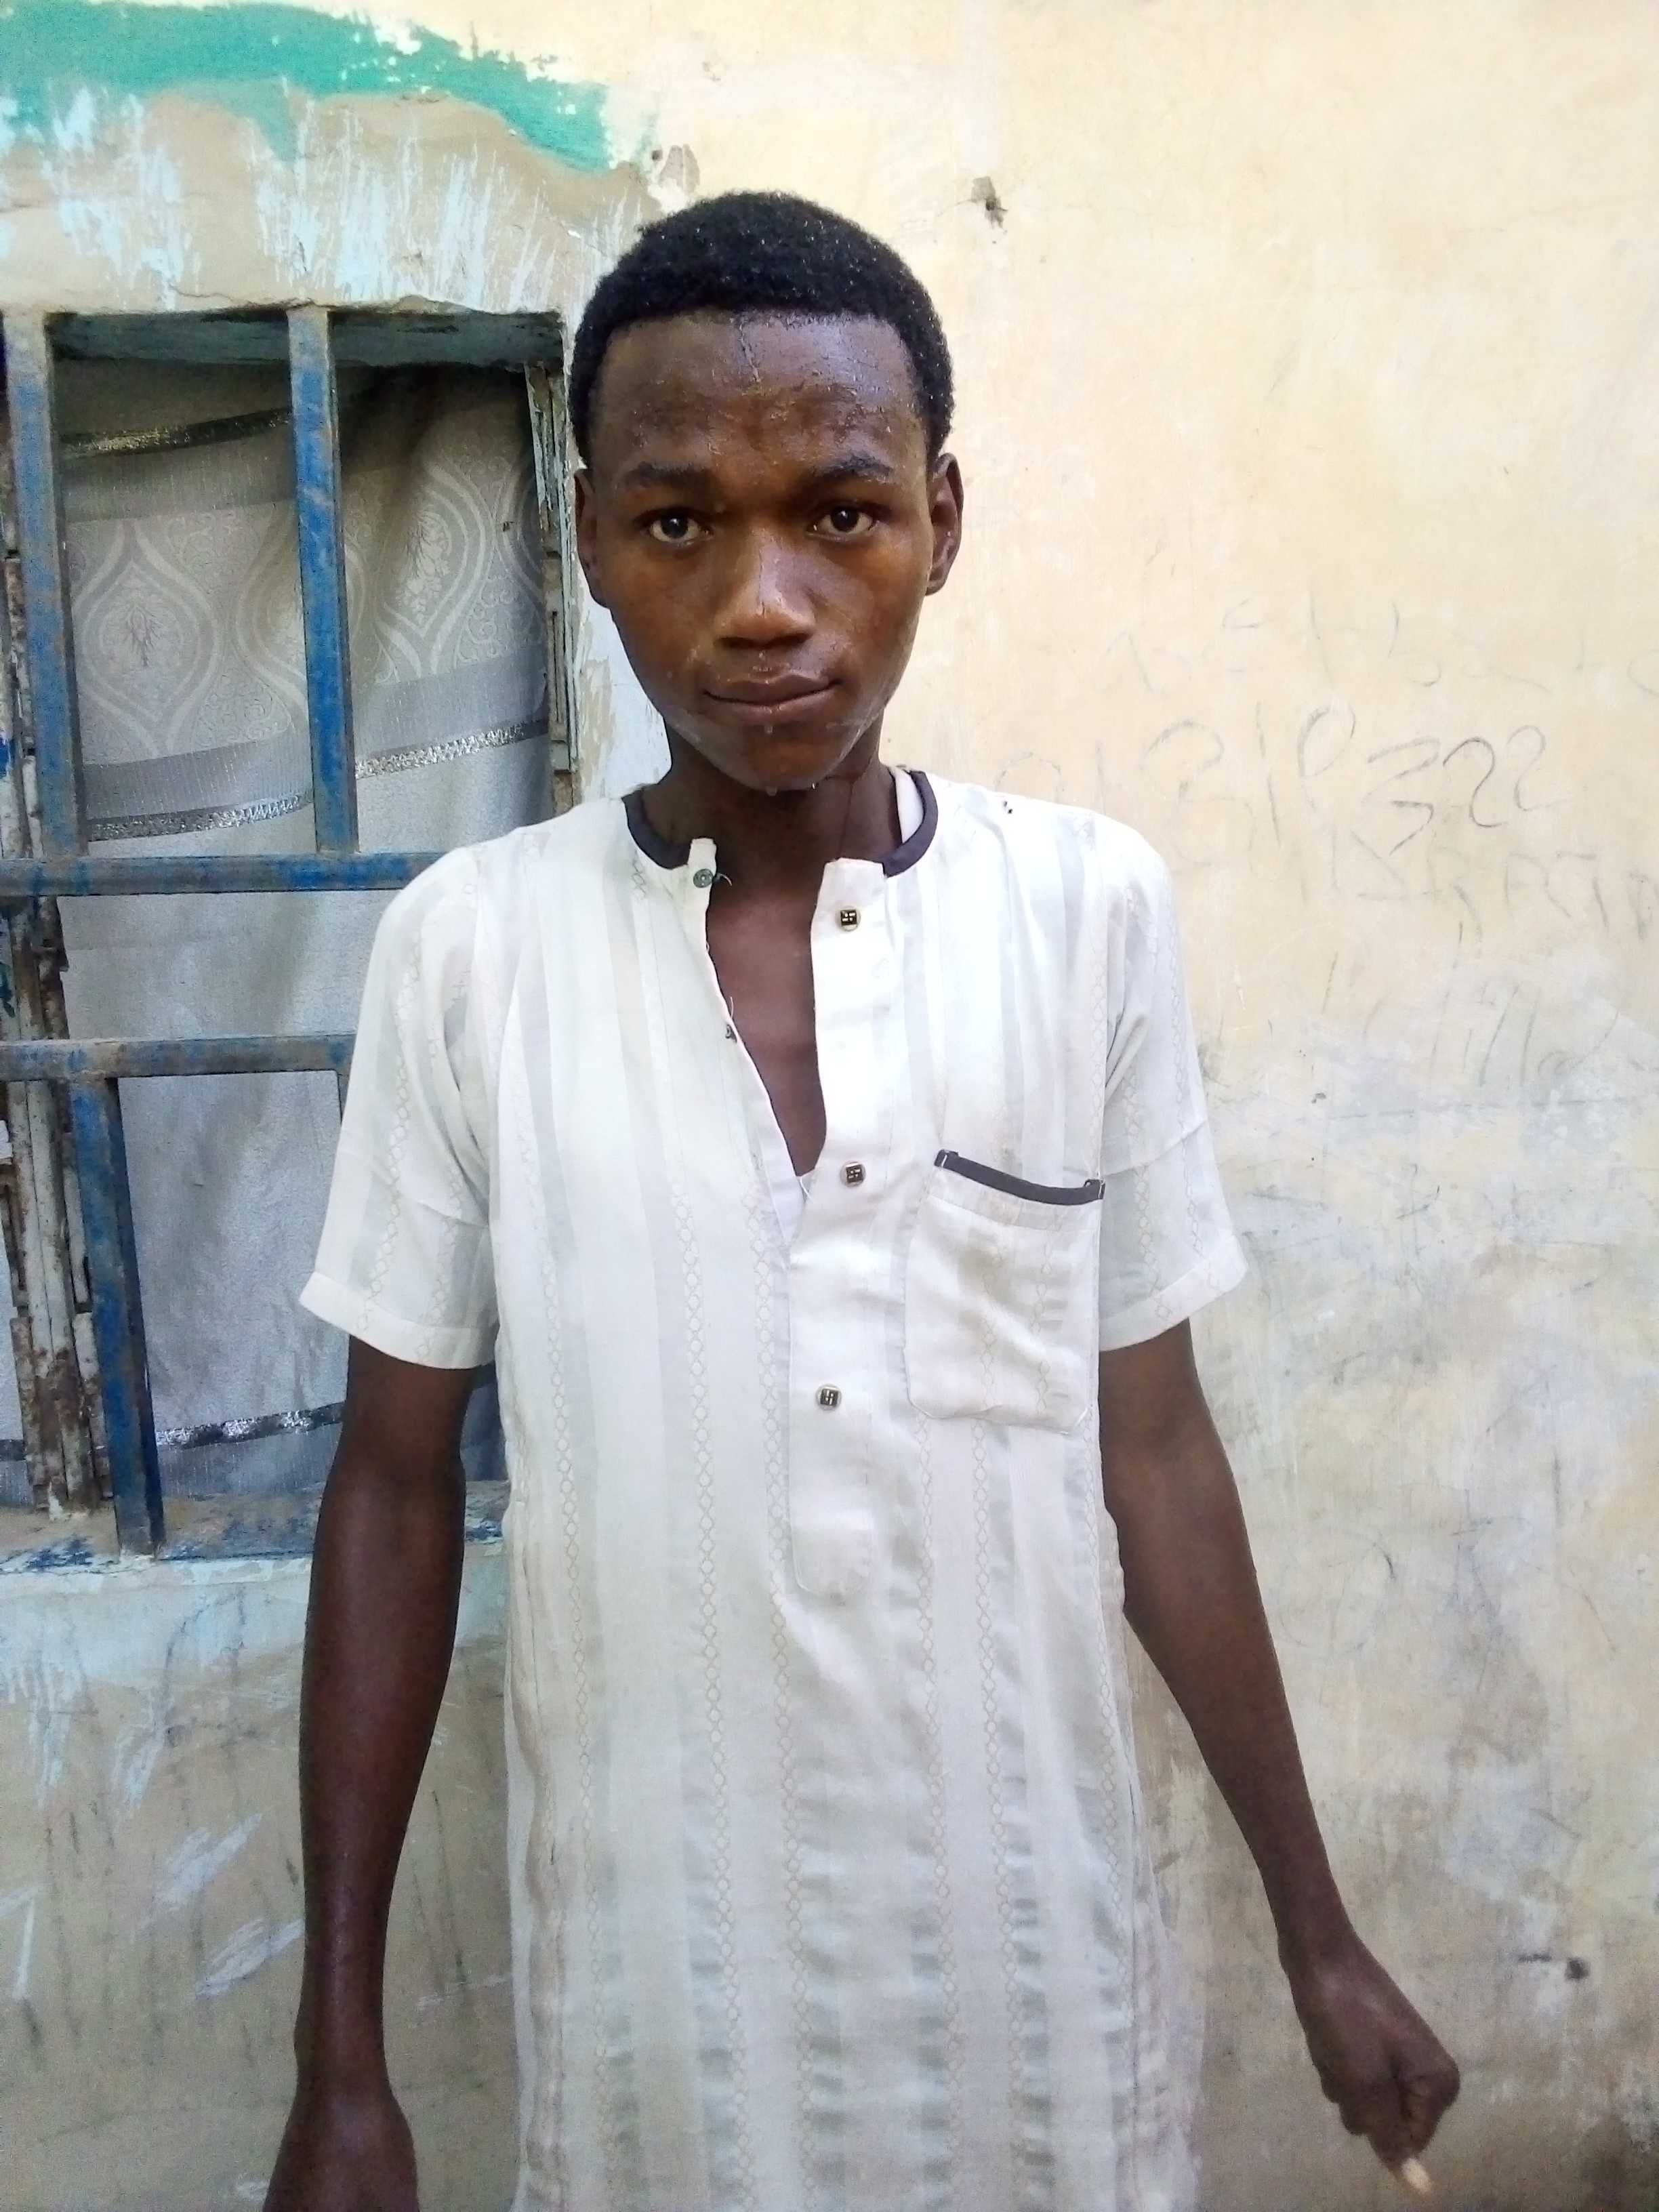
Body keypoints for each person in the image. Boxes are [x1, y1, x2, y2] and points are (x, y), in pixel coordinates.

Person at [266, 190, 1458, 2212]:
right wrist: (341, 2061)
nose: (763, 602)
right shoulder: (471, 953)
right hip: (664, 2011)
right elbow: (391, 1490)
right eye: (678, 522)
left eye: (840, 512)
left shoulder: (1085, 914)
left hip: (1036, 1982)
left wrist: (1318, 1931)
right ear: (587, 538)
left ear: (941, 521)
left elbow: (1155, 1449)